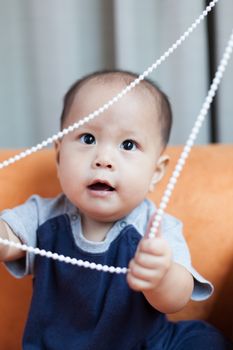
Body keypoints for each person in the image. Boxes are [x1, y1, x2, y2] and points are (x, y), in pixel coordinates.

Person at [0, 70, 231, 349]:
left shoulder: (156, 228)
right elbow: (8, 241)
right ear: (59, 156)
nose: (104, 159)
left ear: (156, 173)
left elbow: (176, 299)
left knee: (205, 340)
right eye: (88, 139)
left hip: (145, 345)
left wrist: (162, 276)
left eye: (128, 145)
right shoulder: (41, 215)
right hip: (59, 344)